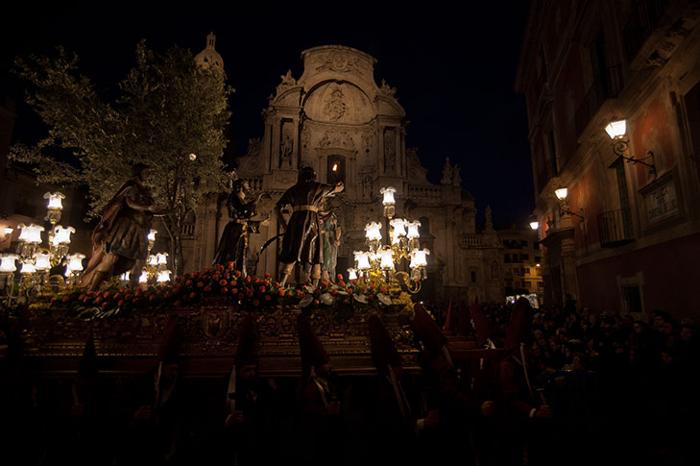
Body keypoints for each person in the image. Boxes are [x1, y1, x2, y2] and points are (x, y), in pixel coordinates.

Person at [80, 162, 165, 291]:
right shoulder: (131, 186)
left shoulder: (145, 191)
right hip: (126, 228)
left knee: (136, 261)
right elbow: (129, 202)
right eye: (146, 172)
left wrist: (168, 211)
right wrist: (146, 207)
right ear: (139, 172)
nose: (148, 175)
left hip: (140, 230)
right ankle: (92, 289)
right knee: (112, 257)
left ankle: (132, 289)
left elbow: (151, 210)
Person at [274, 166, 343, 286]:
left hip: (295, 223)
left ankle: (281, 284)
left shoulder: (293, 189)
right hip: (311, 221)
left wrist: (284, 224)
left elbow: (277, 207)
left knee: (293, 251)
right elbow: (339, 188)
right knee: (315, 252)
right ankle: (314, 287)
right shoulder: (316, 186)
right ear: (313, 176)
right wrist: (338, 183)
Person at [213, 179, 266, 275]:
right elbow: (243, 211)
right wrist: (257, 199)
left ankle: (237, 274)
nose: (248, 185)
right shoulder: (234, 197)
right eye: (246, 184)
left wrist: (260, 222)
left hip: (240, 229)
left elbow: (245, 218)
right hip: (235, 230)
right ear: (241, 186)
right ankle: (229, 274)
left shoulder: (240, 198)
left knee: (240, 253)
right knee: (233, 252)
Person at [319, 206, 341, 282]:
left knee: (332, 261)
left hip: (331, 241)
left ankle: (330, 279)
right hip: (322, 240)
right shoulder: (316, 215)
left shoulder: (332, 216)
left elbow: (336, 228)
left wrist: (337, 238)